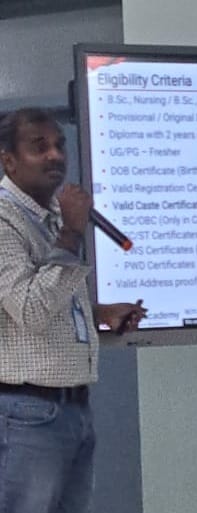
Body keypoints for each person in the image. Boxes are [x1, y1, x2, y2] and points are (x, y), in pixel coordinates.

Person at [0, 107, 147, 513]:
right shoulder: (4, 221)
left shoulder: (47, 216)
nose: (55, 155)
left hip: (72, 409)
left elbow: (47, 307)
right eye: (39, 146)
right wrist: (71, 232)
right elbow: (30, 309)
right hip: (27, 412)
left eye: (59, 145)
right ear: (8, 160)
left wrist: (100, 314)